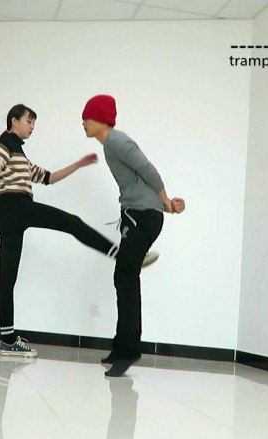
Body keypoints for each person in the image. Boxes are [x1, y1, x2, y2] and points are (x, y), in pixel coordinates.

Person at [0, 104, 159, 358]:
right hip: (15, 207)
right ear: (14, 121)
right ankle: (121, 254)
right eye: (29, 121)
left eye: (34, 122)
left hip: (8, 216)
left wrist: (78, 164)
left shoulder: (19, 154)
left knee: (7, 278)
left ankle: (8, 341)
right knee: (72, 222)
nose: (32, 126)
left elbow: (48, 177)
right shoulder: (4, 146)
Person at [81, 95, 186, 377]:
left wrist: (165, 201)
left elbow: (147, 169)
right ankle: (121, 347)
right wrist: (167, 205)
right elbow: (139, 181)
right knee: (123, 276)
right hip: (139, 216)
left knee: (126, 276)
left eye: (87, 117)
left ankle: (128, 351)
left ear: (101, 119)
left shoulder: (117, 141)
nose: (83, 123)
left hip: (143, 217)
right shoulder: (109, 145)